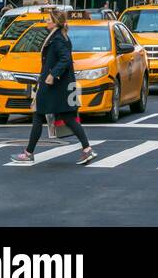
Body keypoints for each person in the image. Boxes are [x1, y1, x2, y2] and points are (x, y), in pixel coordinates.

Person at [12, 9, 97, 165]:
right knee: (67, 117)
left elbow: (65, 59)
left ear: (55, 22)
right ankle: (87, 149)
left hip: (54, 85)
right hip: (59, 86)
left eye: (48, 19)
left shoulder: (57, 39)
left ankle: (28, 153)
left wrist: (52, 75)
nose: (46, 21)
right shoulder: (59, 36)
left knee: (39, 115)